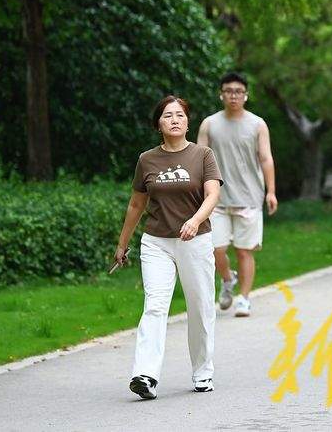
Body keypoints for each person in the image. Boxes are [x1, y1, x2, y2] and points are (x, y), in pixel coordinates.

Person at [114, 95, 223, 400]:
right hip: (156, 242)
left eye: (179, 115)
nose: (174, 120)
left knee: (200, 307)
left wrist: (195, 220)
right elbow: (137, 203)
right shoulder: (147, 159)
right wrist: (122, 244)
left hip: (196, 241)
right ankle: (145, 375)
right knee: (155, 306)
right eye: (167, 116)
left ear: (187, 122)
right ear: (158, 125)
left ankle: (203, 371)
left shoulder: (202, 155)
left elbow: (212, 195)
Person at [197, 72, 278, 317]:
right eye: (229, 91)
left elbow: (265, 158)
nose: (234, 95)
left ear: (246, 95)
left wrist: (271, 192)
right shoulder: (209, 124)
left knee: (245, 250)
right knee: (215, 249)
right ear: (221, 94)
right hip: (216, 198)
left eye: (238, 91)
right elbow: (198, 160)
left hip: (249, 197)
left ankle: (244, 298)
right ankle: (227, 278)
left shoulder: (257, 124)